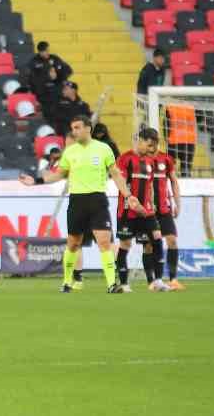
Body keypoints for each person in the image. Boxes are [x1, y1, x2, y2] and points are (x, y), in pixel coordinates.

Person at [19, 115, 143, 294]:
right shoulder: (70, 152)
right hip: (77, 201)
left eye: (77, 127)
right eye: (73, 128)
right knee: (73, 243)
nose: (74, 131)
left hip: (97, 200)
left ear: (88, 128)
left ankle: (111, 284)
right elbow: (59, 174)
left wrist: (128, 195)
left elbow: (115, 174)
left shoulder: (103, 149)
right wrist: (36, 181)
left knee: (104, 242)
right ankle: (67, 281)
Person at [113, 129, 165, 293]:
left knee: (156, 239)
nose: (152, 149)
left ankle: (157, 281)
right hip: (127, 211)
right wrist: (130, 199)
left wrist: (152, 203)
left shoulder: (150, 161)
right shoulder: (125, 158)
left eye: (154, 145)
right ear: (140, 140)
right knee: (125, 244)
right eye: (149, 145)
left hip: (146, 211)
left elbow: (149, 186)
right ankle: (124, 283)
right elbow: (120, 180)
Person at [145, 129, 185, 290]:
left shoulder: (166, 159)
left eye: (154, 142)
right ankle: (151, 281)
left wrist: (177, 203)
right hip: (147, 210)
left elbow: (174, 181)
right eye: (148, 142)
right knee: (149, 244)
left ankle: (173, 279)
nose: (151, 145)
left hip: (164, 208)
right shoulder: (140, 160)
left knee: (172, 241)